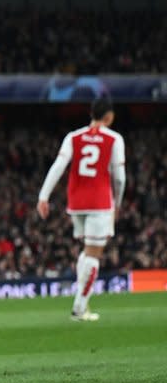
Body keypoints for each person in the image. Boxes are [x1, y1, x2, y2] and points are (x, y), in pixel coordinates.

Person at [37, 96, 125, 322]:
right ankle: (79, 307)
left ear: (91, 114)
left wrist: (43, 196)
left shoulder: (73, 137)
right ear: (109, 116)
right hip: (100, 202)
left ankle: (81, 303)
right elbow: (120, 178)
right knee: (94, 255)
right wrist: (118, 202)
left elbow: (59, 166)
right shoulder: (114, 139)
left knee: (86, 252)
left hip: (76, 203)